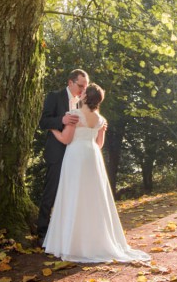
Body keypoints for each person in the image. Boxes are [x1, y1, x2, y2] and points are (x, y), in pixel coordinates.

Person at [42, 83, 150, 264]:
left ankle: (71, 242)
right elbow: (99, 144)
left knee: (73, 194)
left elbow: (66, 139)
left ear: (85, 97)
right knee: (93, 197)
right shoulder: (100, 119)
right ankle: (93, 240)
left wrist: (52, 128)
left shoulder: (74, 115)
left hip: (76, 156)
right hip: (93, 157)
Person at [35, 69, 88, 242]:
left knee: (71, 193)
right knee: (50, 192)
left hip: (76, 154)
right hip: (57, 152)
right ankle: (42, 233)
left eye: (85, 86)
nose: (83, 89)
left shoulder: (83, 102)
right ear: (70, 82)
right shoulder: (54, 96)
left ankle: (64, 233)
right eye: (81, 85)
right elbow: (43, 121)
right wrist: (62, 120)